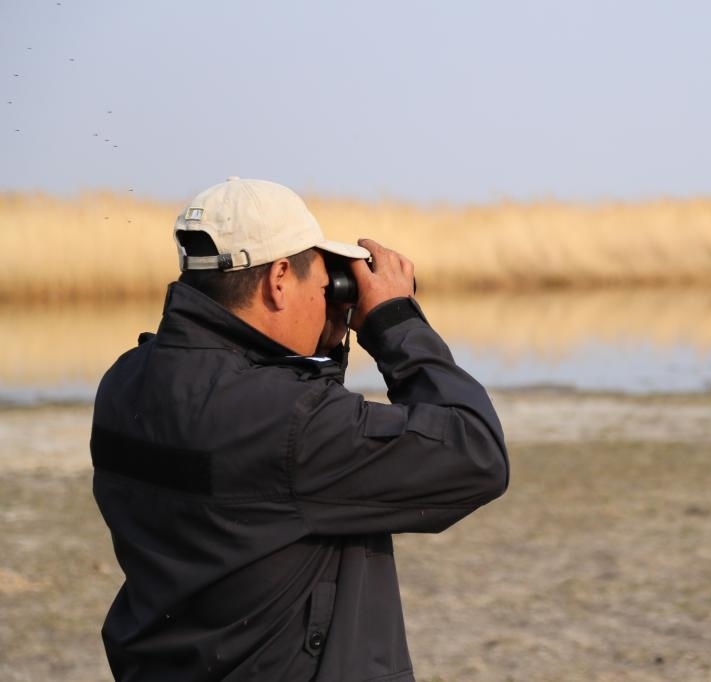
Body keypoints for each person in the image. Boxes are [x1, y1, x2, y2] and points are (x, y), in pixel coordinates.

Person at [90, 177, 509, 681]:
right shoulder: (290, 422)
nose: (330, 296)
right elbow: (475, 453)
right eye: (324, 282)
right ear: (280, 278)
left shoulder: (126, 380)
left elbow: (270, 474)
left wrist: (321, 352)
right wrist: (396, 322)